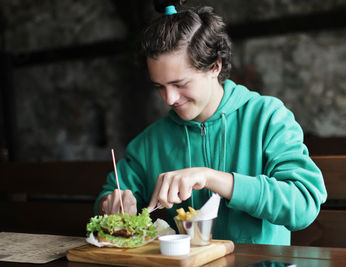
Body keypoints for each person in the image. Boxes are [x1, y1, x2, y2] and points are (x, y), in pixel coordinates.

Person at [95, 0, 327, 245]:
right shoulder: (150, 142)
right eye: (159, 87)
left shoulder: (267, 117)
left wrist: (211, 178)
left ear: (214, 66)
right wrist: (110, 204)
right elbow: (110, 195)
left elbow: (303, 206)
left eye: (180, 84)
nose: (169, 99)